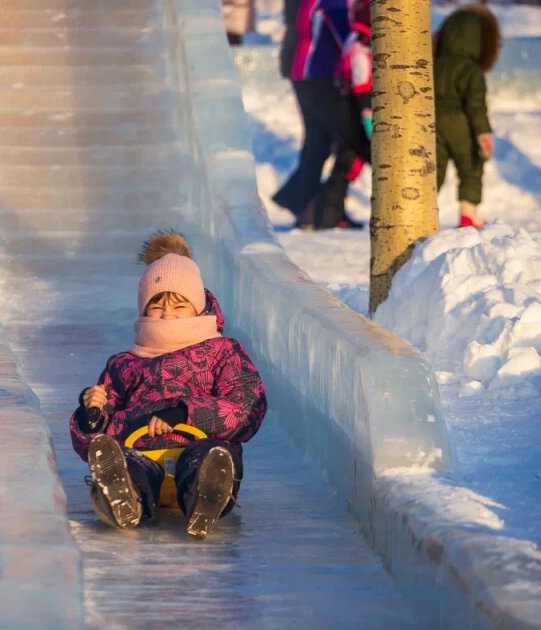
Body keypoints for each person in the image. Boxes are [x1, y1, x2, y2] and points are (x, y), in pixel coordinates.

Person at [69, 233, 267, 540]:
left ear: (198, 308)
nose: (167, 316)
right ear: (144, 310)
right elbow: (96, 439)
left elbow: (246, 409)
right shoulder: (123, 363)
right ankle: (124, 495)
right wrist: (91, 418)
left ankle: (206, 494)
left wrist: (184, 414)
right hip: (140, 450)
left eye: (179, 307)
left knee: (209, 455)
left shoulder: (223, 351)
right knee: (125, 461)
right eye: (157, 307)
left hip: (197, 443)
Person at [274, 0, 367, 231]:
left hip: (306, 73)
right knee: (351, 138)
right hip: (319, 74)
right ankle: (316, 209)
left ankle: (311, 209)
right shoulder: (332, 2)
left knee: (319, 142)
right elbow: (347, 37)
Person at [434, 4, 500, 229]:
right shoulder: (471, 69)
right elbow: (475, 105)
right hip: (461, 125)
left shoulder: (433, 64)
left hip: (434, 124)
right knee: (471, 166)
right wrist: (483, 133)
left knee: (435, 169)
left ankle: (422, 212)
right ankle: (468, 215)